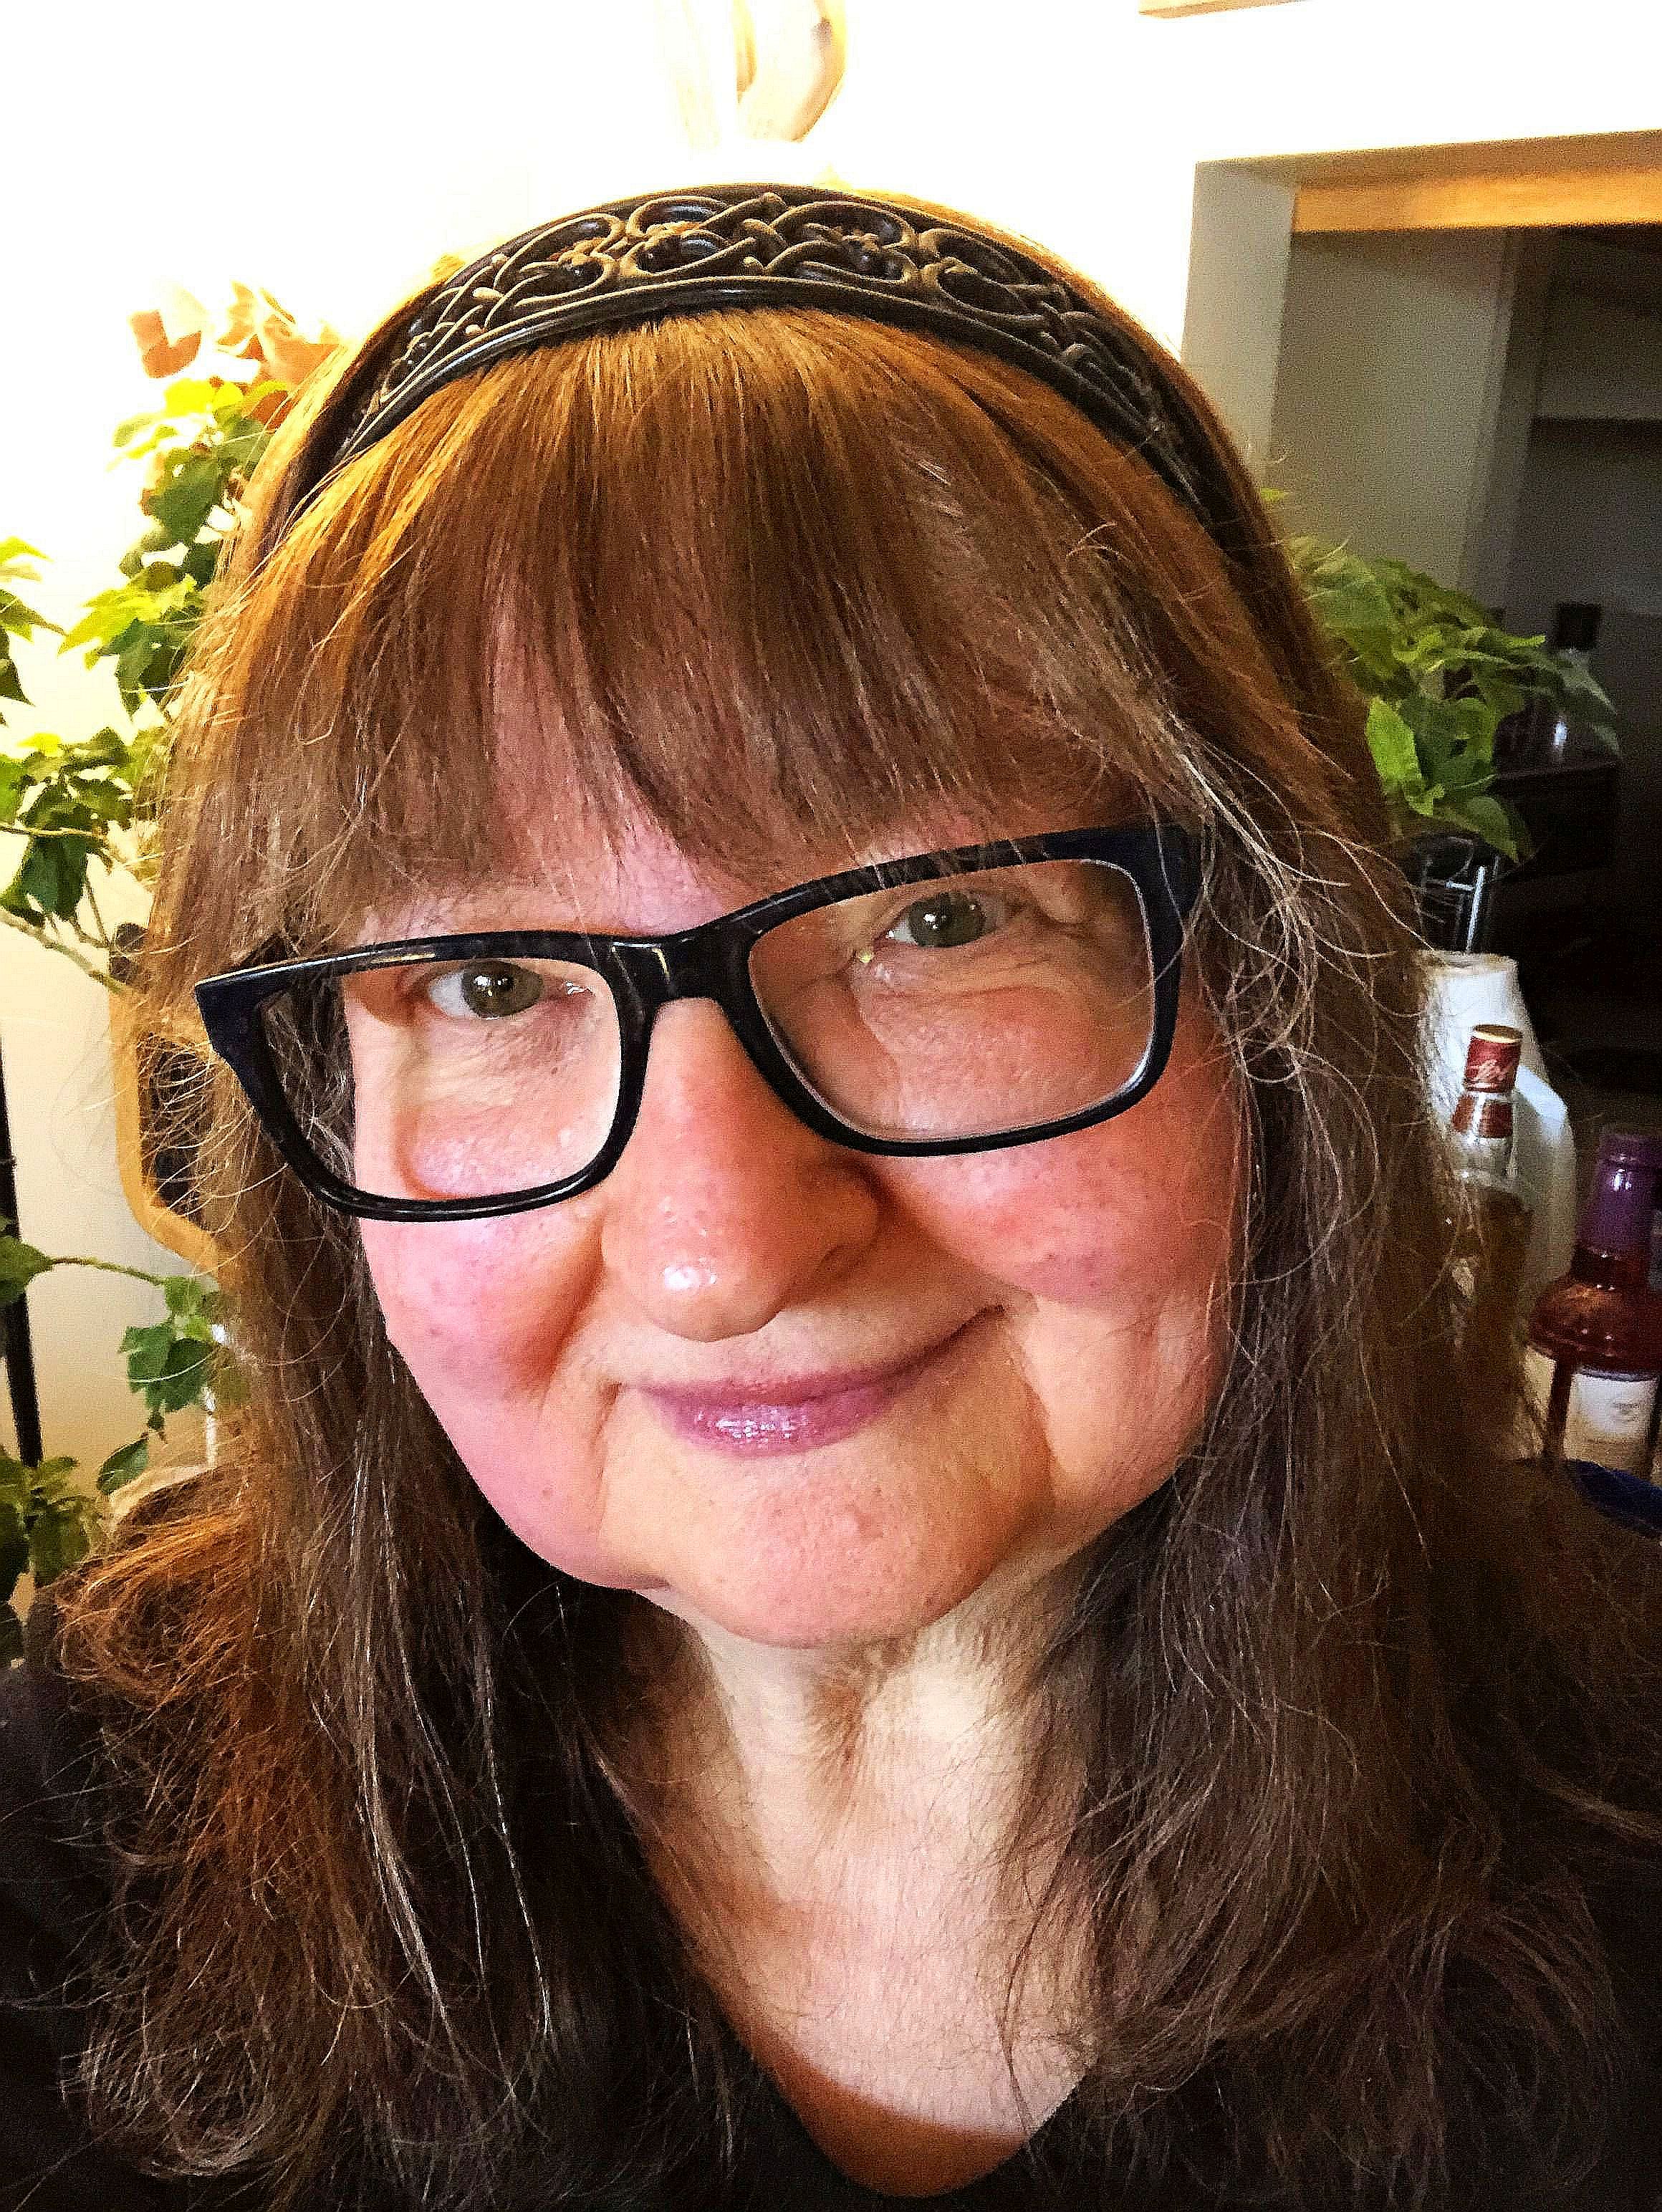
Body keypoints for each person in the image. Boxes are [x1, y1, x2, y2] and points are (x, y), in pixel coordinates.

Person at [2, 183, 1659, 2212]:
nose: (721, 1251)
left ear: (1270, 990)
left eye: (939, 923)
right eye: (488, 982)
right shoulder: (98, 1835)